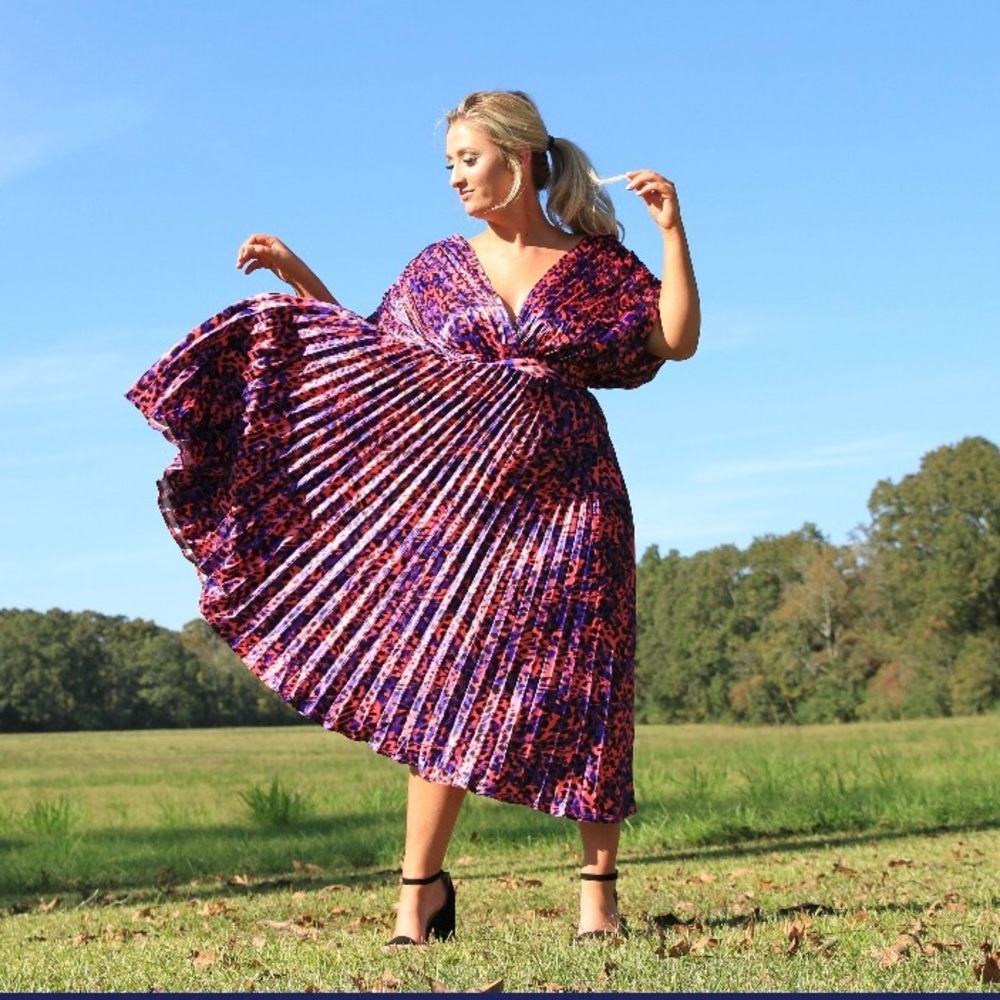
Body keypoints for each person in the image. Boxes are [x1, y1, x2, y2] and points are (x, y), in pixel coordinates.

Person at [127, 89, 699, 945]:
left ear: (520, 158)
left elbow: (673, 340)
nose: (456, 178)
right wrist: (298, 276)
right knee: (444, 682)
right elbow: (374, 352)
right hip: (465, 513)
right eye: (450, 164)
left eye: (469, 159)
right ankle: (418, 894)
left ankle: (598, 900)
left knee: (588, 679)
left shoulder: (594, 263)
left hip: (575, 497)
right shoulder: (439, 267)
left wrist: (672, 232)